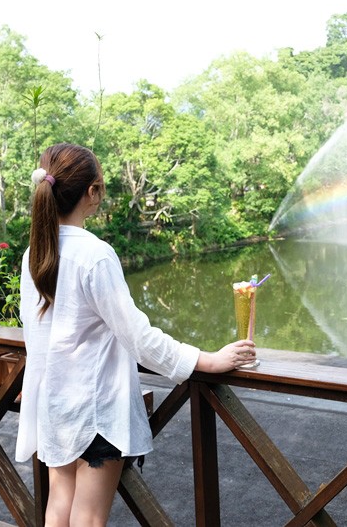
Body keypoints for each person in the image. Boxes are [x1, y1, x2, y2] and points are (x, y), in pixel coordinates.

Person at [14, 143, 256, 527]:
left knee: (58, 507)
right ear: (92, 193)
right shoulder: (95, 255)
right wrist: (207, 360)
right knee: (88, 518)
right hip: (94, 410)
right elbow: (139, 337)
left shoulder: (35, 252)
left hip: (55, 404)